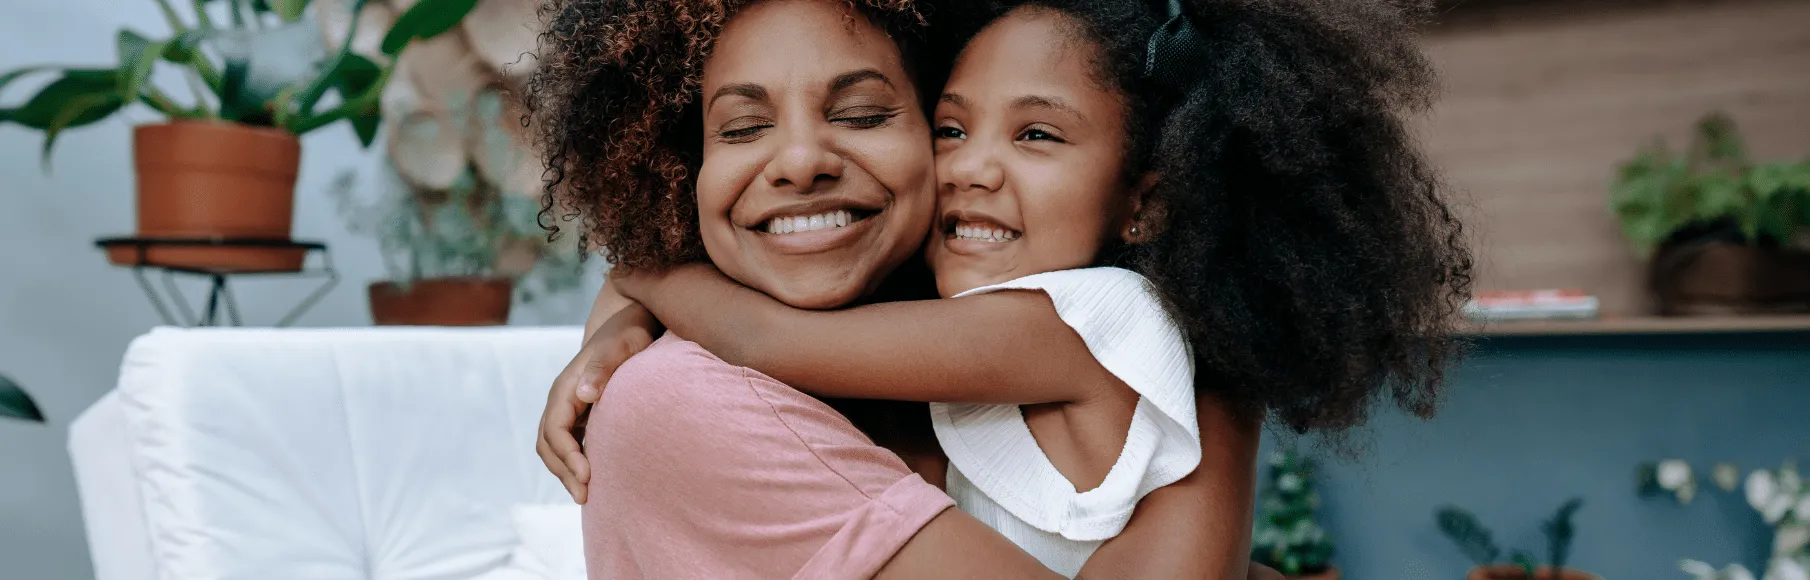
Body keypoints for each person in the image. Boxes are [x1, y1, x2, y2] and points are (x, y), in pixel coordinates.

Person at [532, 0, 1468, 576]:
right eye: (952, 130)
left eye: (1038, 136)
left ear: (1147, 200)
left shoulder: (1088, 320)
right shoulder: (955, 350)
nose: (972, 169)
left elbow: (767, 341)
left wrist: (641, 268)